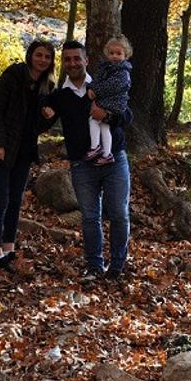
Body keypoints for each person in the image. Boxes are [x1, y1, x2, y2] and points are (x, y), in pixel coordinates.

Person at [42, 41, 132, 280]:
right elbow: (43, 123)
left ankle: (117, 267)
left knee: (119, 214)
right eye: (68, 59)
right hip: (82, 164)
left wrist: (108, 115)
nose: (73, 63)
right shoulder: (60, 95)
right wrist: (45, 113)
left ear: (86, 60)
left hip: (114, 161)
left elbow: (128, 116)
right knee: (90, 218)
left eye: (77, 58)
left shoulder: (105, 83)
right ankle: (94, 266)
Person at [0, 40, 56, 272]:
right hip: (1, 148)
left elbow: (38, 126)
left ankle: (8, 247)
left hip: (24, 151)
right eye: (39, 55)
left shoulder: (46, 87)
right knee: (1, 199)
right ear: (30, 55)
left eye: (47, 57)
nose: (42, 60)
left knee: (15, 200)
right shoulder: (13, 76)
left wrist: (48, 117)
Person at [84, 35, 132, 166]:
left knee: (93, 120)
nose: (114, 56)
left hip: (114, 102)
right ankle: (107, 154)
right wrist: (91, 87)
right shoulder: (107, 68)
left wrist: (95, 90)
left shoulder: (123, 72)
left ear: (125, 55)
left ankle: (95, 147)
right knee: (104, 126)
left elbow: (111, 86)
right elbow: (99, 81)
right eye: (111, 53)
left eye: (118, 53)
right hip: (110, 101)